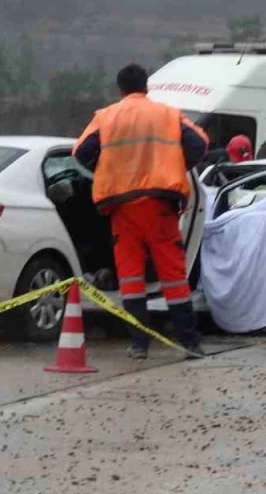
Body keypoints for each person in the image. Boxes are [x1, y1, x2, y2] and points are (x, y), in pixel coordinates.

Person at [73, 64, 209, 360]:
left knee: (131, 278)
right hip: (160, 205)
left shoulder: (106, 116)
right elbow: (200, 143)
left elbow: (80, 152)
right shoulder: (168, 114)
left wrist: (108, 170)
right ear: (146, 86)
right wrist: (175, 166)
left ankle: (138, 344)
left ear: (120, 89)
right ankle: (190, 342)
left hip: (122, 207)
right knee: (173, 275)